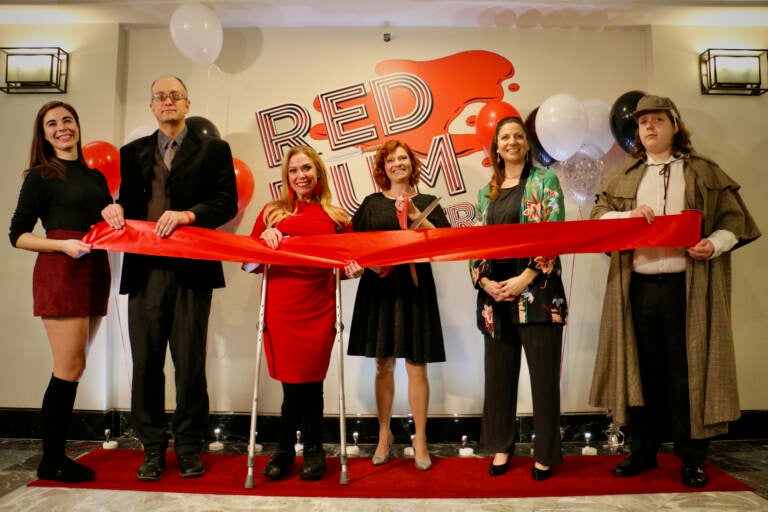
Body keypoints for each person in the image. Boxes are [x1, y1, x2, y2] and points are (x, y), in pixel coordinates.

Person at [589, 95, 760, 488]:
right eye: (643, 122)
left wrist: (712, 245)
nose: (649, 127)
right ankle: (643, 451)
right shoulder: (626, 176)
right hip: (640, 287)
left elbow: (734, 222)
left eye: (658, 121)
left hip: (688, 289)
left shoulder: (702, 172)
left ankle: (692, 456)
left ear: (674, 126)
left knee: (688, 373)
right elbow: (599, 219)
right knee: (643, 372)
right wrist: (626, 217)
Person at [100, 76, 238, 481]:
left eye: (175, 95)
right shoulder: (132, 153)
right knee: (145, 364)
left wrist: (188, 215)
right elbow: (127, 204)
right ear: (152, 106)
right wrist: (112, 210)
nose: (167, 101)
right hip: (144, 272)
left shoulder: (214, 149)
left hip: (193, 272)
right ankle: (153, 448)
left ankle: (190, 446)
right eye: (159, 95)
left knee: (190, 364)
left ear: (186, 103)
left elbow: (225, 202)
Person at [9, 101, 112, 482]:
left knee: (77, 366)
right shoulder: (40, 176)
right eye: (52, 124)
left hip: (94, 267)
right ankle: (51, 460)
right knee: (66, 368)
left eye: (67, 119)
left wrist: (114, 214)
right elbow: (17, 235)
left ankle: (55, 457)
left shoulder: (95, 176)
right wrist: (63, 246)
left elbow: (104, 221)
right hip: (62, 268)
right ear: (44, 134)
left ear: (77, 124)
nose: (61, 128)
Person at [247, 145, 362, 481]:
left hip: (320, 308)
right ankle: (297, 449)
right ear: (287, 177)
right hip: (282, 309)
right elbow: (249, 263)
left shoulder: (337, 217)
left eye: (307, 169)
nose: (301, 176)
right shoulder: (272, 213)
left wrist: (354, 271)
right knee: (293, 385)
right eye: (294, 170)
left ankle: (299, 450)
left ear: (318, 173)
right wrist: (264, 241)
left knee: (313, 382)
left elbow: (350, 265)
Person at [469, 116, 568, 482]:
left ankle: (544, 454)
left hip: (538, 296)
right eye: (504, 137)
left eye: (518, 136)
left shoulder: (546, 181)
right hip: (495, 301)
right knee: (498, 379)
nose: (511, 141)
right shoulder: (486, 193)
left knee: (543, 380)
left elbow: (555, 234)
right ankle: (501, 445)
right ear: (496, 147)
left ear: (527, 144)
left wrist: (525, 277)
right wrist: (485, 282)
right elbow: (474, 246)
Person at [347, 140, 450, 471]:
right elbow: (354, 246)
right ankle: (383, 434)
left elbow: (445, 243)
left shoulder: (427, 201)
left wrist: (417, 214)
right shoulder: (371, 203)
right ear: (383, 167)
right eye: (390, 160)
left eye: (403, 158)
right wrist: (366, 263)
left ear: (411, 164)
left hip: (415, 287)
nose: (397, 164)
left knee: (417, 365)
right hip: (379, 288)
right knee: (383, 364)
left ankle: (420, 438)